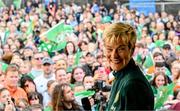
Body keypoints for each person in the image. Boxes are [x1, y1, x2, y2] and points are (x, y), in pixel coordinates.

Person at [103, 22, 154, 110]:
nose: (114, 55)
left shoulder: (133, 84)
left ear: (132, 49)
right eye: (109, 49)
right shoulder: (120, 74)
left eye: (121, 49)